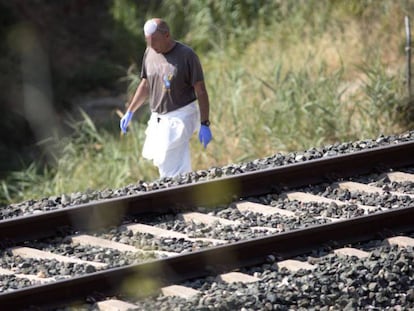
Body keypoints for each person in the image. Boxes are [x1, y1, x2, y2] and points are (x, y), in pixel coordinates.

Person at [120, 18, 212, 178]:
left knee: (170, 160)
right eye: (148, 42)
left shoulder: (187, 55)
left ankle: (176, 193)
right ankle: (179, 192)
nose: (152, 46)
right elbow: (145, 84)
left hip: (182, 115)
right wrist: (130, 111)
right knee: (164, 161)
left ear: (167, 35)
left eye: (154, 41)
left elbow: (201, 91)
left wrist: (204, 123)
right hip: (159, 118)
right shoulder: (150, 52)